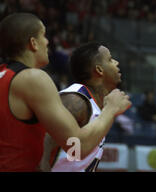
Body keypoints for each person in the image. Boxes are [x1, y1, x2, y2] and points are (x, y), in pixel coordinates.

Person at [0, 13, 130, 171]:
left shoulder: (7, 77)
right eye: (44, 35)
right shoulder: (34, 79)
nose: (48, 42)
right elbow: (77, 146)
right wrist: (111, 109)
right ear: (33, 43)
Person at [38, 42, 123, 171]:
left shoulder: (97, 106)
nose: (116, 62)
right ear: (99, 69)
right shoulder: (76, 99)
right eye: (110, 59)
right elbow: (40, 142)